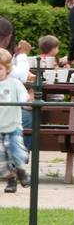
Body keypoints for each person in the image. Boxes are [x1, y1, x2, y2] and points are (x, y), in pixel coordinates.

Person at [0, 48, 31, 192]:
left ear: (7, 69)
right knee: (2, 158)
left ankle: (21, 170)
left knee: (16, 151)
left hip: (13, 125)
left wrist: (24, 100)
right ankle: (11, 180)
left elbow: (23, 95)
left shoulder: (14, 83)